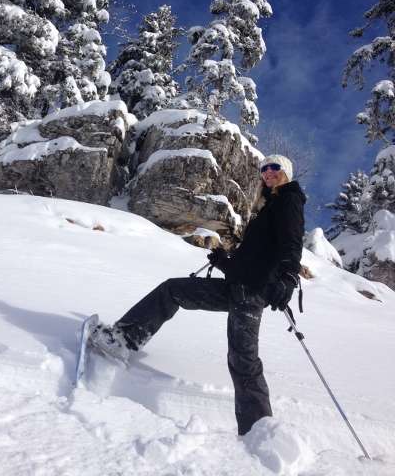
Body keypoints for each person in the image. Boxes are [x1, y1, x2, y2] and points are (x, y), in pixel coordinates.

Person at [89, 154, 306, 435]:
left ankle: (259, 432)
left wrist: (288, 279)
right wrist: (224, 262)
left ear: (286, 173)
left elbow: (291, 243)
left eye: (274, 168)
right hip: (235, 287)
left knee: (243, 360)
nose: (268, 173)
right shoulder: (268, 208)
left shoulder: (288, 200)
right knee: (173, 290)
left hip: (251, 294)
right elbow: (253, 260)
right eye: (264, 169)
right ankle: (123, 340)